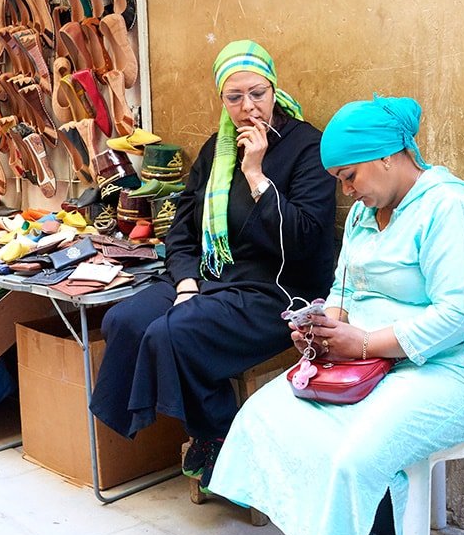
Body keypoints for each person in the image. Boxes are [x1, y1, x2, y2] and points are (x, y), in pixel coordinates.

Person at [208, 95, 464, 535]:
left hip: (456, 370)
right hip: (372, 363)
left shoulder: (449, 209)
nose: (347, 191)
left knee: (353, 457)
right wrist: (323, 327)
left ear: (387, 156)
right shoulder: (363, 216)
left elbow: (457, 315)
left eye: (349, 177)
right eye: (339, 181)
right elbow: (343, 293)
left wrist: (364, 343)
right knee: (265, 416)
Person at [89, 40, 337, 488]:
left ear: (274, 89)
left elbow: (304, 238)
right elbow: (182, 229)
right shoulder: (215, 151)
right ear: (222, 98)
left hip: (273, 289)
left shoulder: (306, 147)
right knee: (125, 320)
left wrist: (257, 175)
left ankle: (216, 431)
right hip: (209, 278)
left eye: (257, 94)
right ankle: (212, 428)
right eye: (234, 97)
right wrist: (184, 281)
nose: (248, 108)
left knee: (171, 332)